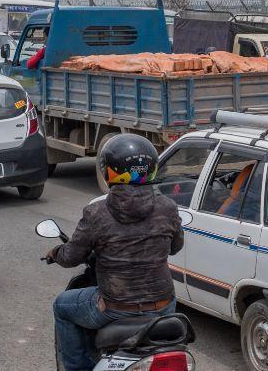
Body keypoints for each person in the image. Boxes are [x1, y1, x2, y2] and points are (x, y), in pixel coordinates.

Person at [48, 134, 182, 371]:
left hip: (115, 307)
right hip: (163, 304)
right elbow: (176, 247)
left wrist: (55, 252)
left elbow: (70, 257)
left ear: (109, 171)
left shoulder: (96, 212)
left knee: (62, 306)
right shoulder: (168, 207)